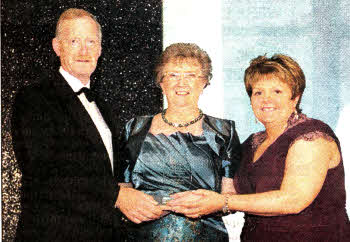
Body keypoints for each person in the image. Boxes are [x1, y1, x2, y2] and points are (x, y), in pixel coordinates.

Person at [167, 54, 350, 241]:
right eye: (258, 92)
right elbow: (230, 195)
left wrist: (222, 202)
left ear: (295, 97)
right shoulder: (252, 144)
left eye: (277, 91)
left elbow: (293, 200)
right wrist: (173, 199)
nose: (266, 100)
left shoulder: (312, 137)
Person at [12, 8, 127, 241]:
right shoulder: (34, 98)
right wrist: (116, 196)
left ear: (100, 49)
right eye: (74, 41)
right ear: (57, 47)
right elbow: (47, 173)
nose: (84, 50)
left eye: (91, 41)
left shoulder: (103, 106)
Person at [115, 43, 241, 241]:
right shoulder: (134, 128)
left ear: (204, 82)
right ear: (161, 82)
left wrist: (211, 204)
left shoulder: (224, 132)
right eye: (173, 75)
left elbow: (229, 199)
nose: (181, 83)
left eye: (191, 75)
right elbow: (122, 190)